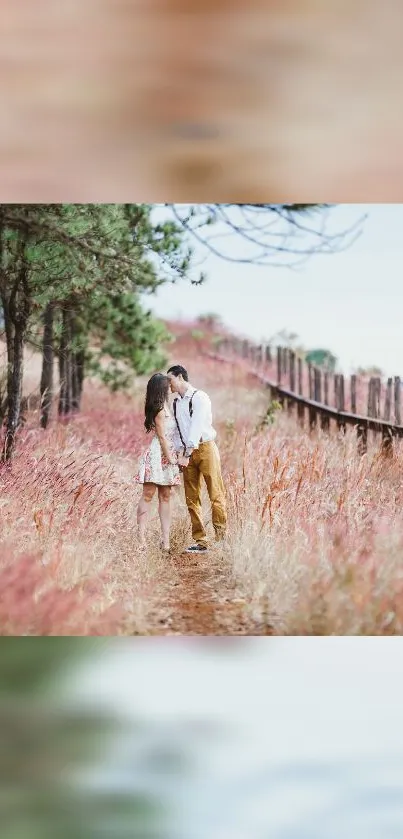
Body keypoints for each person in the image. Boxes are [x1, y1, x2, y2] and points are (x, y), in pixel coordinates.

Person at [167, 364, 227, 554]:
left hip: (205, 448)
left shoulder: (200, 397)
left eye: (170, 379)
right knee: (191, 497)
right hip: (186, 453)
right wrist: (179, 452)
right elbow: (177, 430)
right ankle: (201, 541)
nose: (168, 384)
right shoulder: (176, 402)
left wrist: (186, 453)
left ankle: (221, 539)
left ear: (180, 377)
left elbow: (197, 426)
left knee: (215, 494)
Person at [136, 373, 180, 553]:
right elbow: (161, 436)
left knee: (165, 496)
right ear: (161, 388)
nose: (170, 387)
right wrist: (170, 458)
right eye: (167, 385)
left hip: (167, 453)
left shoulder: (166, 406)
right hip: (158, 454)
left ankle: (166, 540)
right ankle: (141, 538)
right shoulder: (160, 409)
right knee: (148, 494)